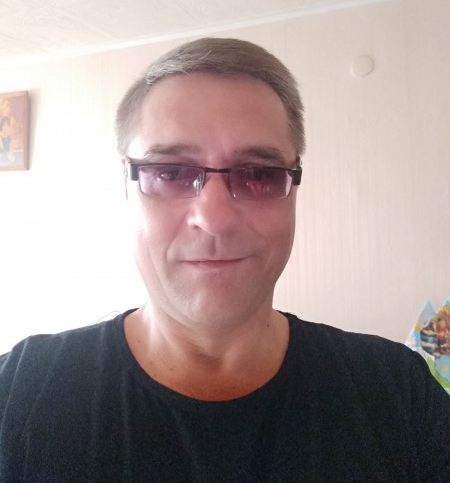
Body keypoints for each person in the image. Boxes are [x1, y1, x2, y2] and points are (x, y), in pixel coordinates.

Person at [0, 37, 449, 482]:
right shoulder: (19, 393)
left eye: (259, 174)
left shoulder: (398, 392)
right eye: (170, 172)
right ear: (126, 188)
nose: (214, 219)